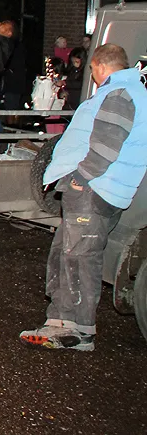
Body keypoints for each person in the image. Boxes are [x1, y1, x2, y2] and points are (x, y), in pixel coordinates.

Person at [21, 44, 147, 352]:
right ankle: (67, 326)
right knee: (69, 253)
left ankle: (70, 329)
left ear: (101, 66)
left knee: (77, 258)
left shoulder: (119, 95)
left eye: (92, 69)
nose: (93, 75)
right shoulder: (135, 93)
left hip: (94, 189)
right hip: (105, 190)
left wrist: (79, 178)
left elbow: (106, 145)